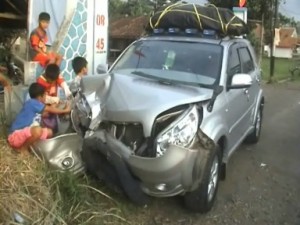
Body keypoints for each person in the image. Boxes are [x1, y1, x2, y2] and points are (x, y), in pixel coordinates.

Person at [7, 83, 71, 152]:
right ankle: (22, 149)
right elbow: (50, 109)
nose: (46, 97)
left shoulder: (34, 105)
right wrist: (66, 110)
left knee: (50, 132)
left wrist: (57, 106)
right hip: (15, 135)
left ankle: (31, 147)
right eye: (45, 95)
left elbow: (46, 113)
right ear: (41, 97)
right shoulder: (32, 102)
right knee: (38, 130)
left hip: (24, 134)